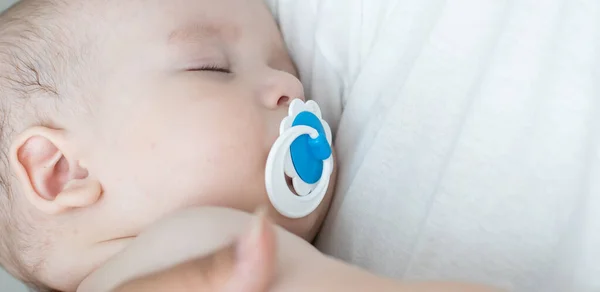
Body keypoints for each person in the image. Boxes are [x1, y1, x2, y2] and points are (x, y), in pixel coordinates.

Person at [0, 0, 498, 291]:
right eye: (213, 67)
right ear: (61, 171)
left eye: (290, 69)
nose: (294, 90)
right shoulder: (196, 241)